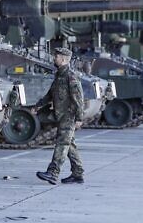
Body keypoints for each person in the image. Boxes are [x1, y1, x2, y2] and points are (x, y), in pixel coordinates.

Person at [35, 47, 85, 185]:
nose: (54, 58)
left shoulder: (71, 76)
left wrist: (80, 118)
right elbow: (50, 94)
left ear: (63, 59)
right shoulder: (59, 75)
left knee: (62, 143)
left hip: (69, 115)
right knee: (70, 145)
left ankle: (53, 172)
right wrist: (38, 105)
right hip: (61, 115)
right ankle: (77, 173)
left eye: (56, 56)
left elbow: (78, 98)